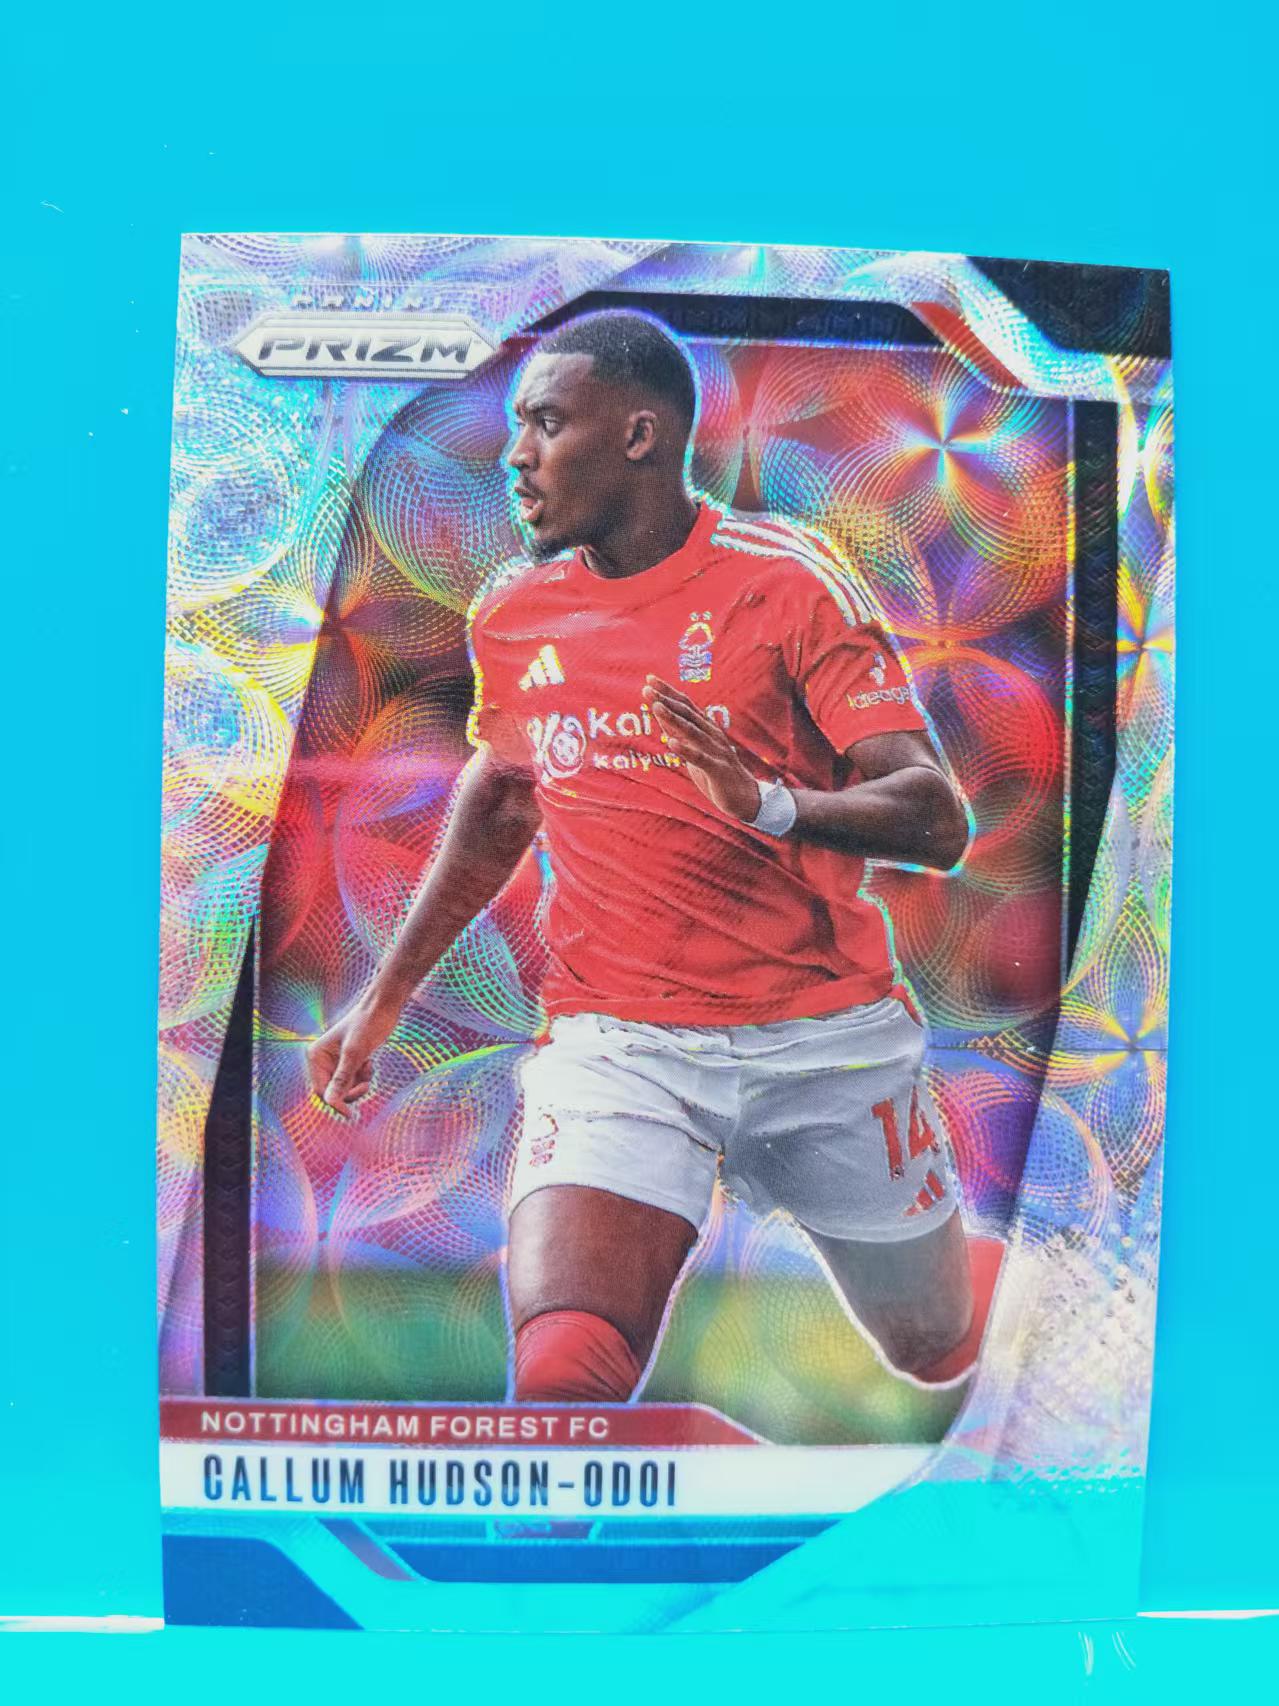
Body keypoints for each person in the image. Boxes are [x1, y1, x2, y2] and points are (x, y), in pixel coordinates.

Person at [307, 309, 1003, 1409]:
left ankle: (1005, 1282)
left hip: (823, 1037)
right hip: (618, 1041)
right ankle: (551, 1514)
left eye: (545, 424)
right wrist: (383, 999)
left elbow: (934, 815)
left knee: (932, 1347)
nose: (515, 455)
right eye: (515, 427)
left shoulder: (786, 582)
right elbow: (505, 793)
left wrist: (770, 805)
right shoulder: (515, 611)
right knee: (562, 1362)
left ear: (639, 435)